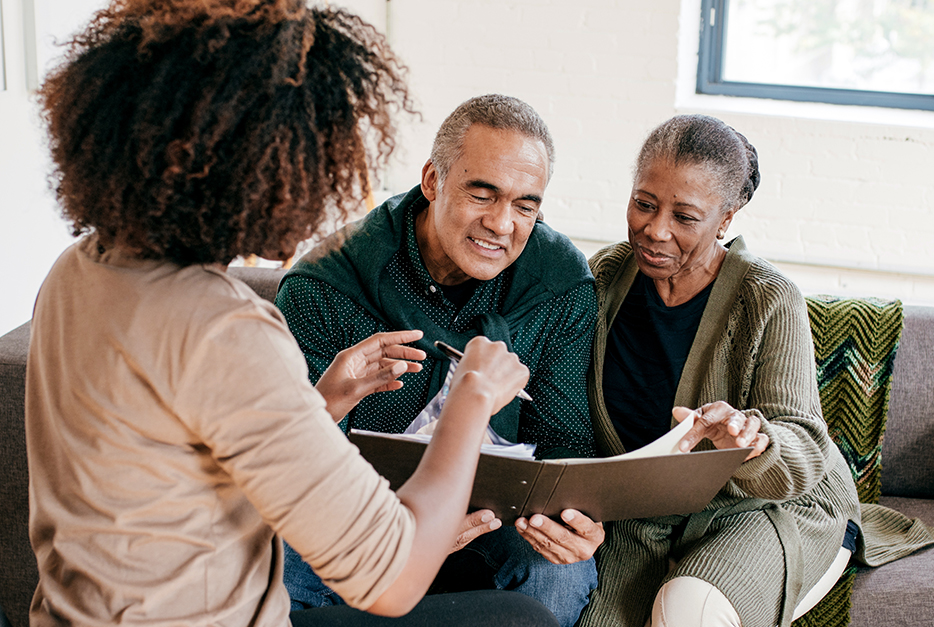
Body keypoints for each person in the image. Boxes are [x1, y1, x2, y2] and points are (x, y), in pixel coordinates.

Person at [25, 2, 562, 626]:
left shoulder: (79, 268)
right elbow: (393, 579)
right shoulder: (224, 332)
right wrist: (469, 399)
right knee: (523, 620)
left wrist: (325, 400)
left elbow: (187, 471)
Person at [576, 114, 934, 627]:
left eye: (685, 216)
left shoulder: (767, 297)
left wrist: (751, 440)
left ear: (726, 216)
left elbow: (805, 446)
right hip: (644, 514)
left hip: (768, 505)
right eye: (644, 204)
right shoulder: (605, 275)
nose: (656, 230)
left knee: (687, 611)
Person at [275, 94, 604, 627]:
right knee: (279, 555)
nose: (502, 224)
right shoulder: (325, 282)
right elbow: (285, 464)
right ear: (432, 181)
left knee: (558, 569)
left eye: (525, 205)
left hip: (492, 524)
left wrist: (577, 520)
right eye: (482, 194)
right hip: (352, 517)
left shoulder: (559, 279)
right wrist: (408, 526)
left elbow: (565, 440)